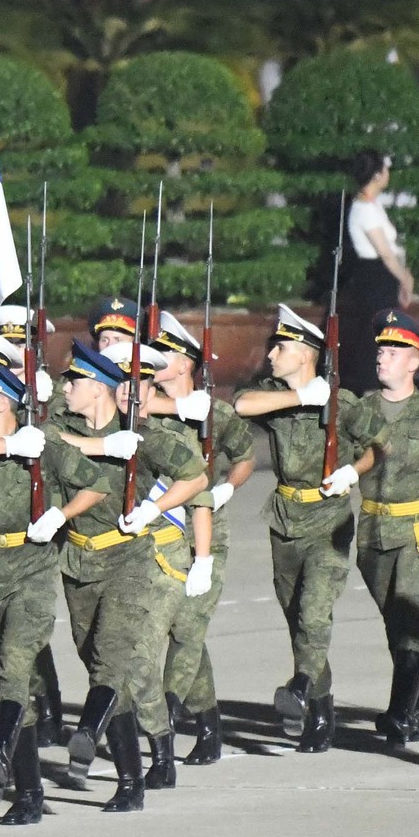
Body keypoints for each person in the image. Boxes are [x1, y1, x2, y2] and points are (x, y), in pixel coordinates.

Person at [0, 352, 105, 826]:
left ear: (6, 400)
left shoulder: (44, 441)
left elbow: (95, 484)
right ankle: (28, 794)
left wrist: (60, 516)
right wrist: (8, 448)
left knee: (13, 667)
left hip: (31, 568)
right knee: (9, 679)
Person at [47, 342, 212, 807]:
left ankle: (105, 752)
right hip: (79, 563)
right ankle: (149, 762)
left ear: (98, 388)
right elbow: (45, 442)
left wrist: (153, 508)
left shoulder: (141, 433)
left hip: (129, 561)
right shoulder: (62, 425)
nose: (67, 388)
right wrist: (102, 447)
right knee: (105, 665)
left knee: (116, 660)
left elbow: (196, 477)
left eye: (74, 381)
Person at [231, 305, 379, 752]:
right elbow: (240, 404)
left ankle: (298, 689)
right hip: (284, 519)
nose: (272, 354)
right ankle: (319, 704)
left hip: (328, 519)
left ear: (308, 353)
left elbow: (379, 446)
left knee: (314, 612)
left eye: (282, 346)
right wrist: (301, 399)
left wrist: (354, 472)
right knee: (299, 622)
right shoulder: (275, 395)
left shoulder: (344, 401)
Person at [145, 315, 254, 763]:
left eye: (166, 354)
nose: (156, 363)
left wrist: (228, 486)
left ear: (187, 362)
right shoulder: (143, 405)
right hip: (157, 532)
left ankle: (168, 711)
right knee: (180, 627)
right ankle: (209, 724)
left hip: (207, 533)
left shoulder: (218, 413)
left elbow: (245, 457)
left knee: (189, 627)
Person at [346, 313, 419, 751]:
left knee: (410, 621)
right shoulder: (362, 409)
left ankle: (398, 715)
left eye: (393, 352)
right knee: (397, 628)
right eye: (380, 351)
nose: (381, 358)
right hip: (373, 531)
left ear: (415, 361)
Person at [338, 152, 415, 395]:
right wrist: (405, 279)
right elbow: (385, 253)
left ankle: (378, 384)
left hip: (381, 275)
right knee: (374, 334)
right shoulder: (364, 208)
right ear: (377, 174)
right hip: (374, 275)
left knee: (383, 332)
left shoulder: (372, 204)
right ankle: (369, 386)